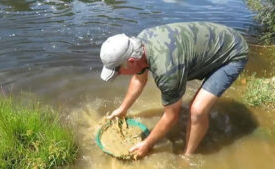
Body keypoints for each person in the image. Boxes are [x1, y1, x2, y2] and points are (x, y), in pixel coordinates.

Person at [99, 22, 248, 158]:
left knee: (196, 111)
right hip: (218, 42)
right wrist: (122, 109)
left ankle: (188, 156)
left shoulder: (167, 71)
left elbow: (171, 117)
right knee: (190, 106)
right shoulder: (140, 43)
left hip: (232, 54)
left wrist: (147, 144)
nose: (119, 75)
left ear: (131, 62)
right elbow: (139, 79)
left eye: (118, 72)